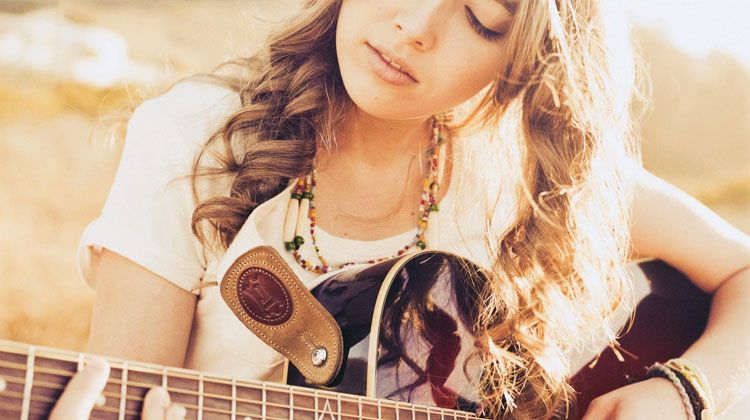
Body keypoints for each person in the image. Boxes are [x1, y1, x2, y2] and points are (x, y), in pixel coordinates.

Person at [57, 0, 750, 419]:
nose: (415, 27)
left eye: (480, 18)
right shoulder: (197, 137)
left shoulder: (520, 172)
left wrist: (685, 391)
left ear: (524, 61)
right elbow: (117, 395)